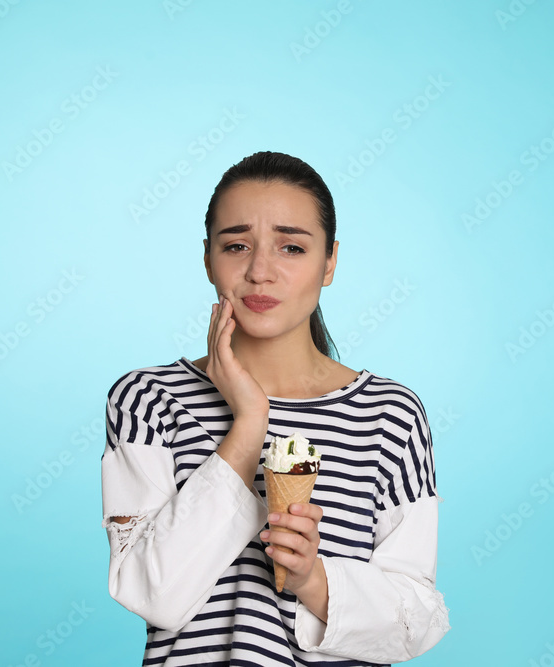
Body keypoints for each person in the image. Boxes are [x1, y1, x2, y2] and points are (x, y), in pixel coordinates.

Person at [100, 151, 449, 666]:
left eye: (291, 247)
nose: (260, 271)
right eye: (237, 245)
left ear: (329, 262)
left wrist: (315, 580)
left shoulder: (390, 415)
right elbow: (153, 595)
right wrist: (248, 424)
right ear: (207, 259)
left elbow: (417, 621)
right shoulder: (147, 399)